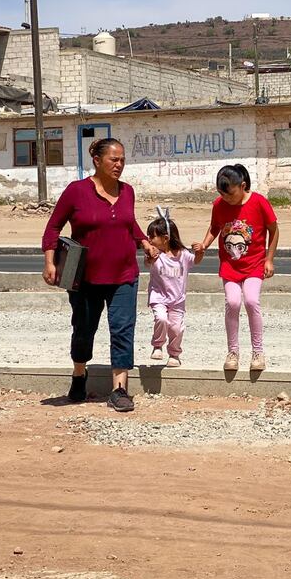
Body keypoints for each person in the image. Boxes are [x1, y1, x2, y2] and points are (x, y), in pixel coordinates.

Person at [42, 138, 158, 413]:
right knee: (83, 330)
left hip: (124, 274)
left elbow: (130, 224)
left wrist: (144, 242)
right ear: (97, 161)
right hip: (85, 279)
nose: (119, 165)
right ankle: (79, 374)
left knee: (122, 330)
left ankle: (119, 389)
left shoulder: (128, 192)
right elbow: (52, 229)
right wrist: (50, 262)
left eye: (122, 160)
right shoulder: (76, 191)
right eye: (113, 160)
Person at [194, 164, 279, 372]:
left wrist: (269, 259)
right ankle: (233, 351)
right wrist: (204, 245)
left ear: (242, 186)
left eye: (230, 195)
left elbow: (274, 230)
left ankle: (257, 352)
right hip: (229, 266)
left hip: (254, 264)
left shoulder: (259, 202)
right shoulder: (219, 204)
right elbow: (215, 227)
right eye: (222, 195)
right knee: (232, 303)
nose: (227, 199)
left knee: (251, 300)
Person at [145, 207, 204, 368]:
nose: (149, 239)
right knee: (161, 318)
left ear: (165, 238)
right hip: (158, 297)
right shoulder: (155, 255)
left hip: (177, 300)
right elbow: (147, 261)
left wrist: (200, 251)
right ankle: (157, 345)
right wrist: (150, 254)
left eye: (152, 236)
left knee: (176, 328)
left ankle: (174, 354)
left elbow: (196, 261)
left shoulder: (183, 255)